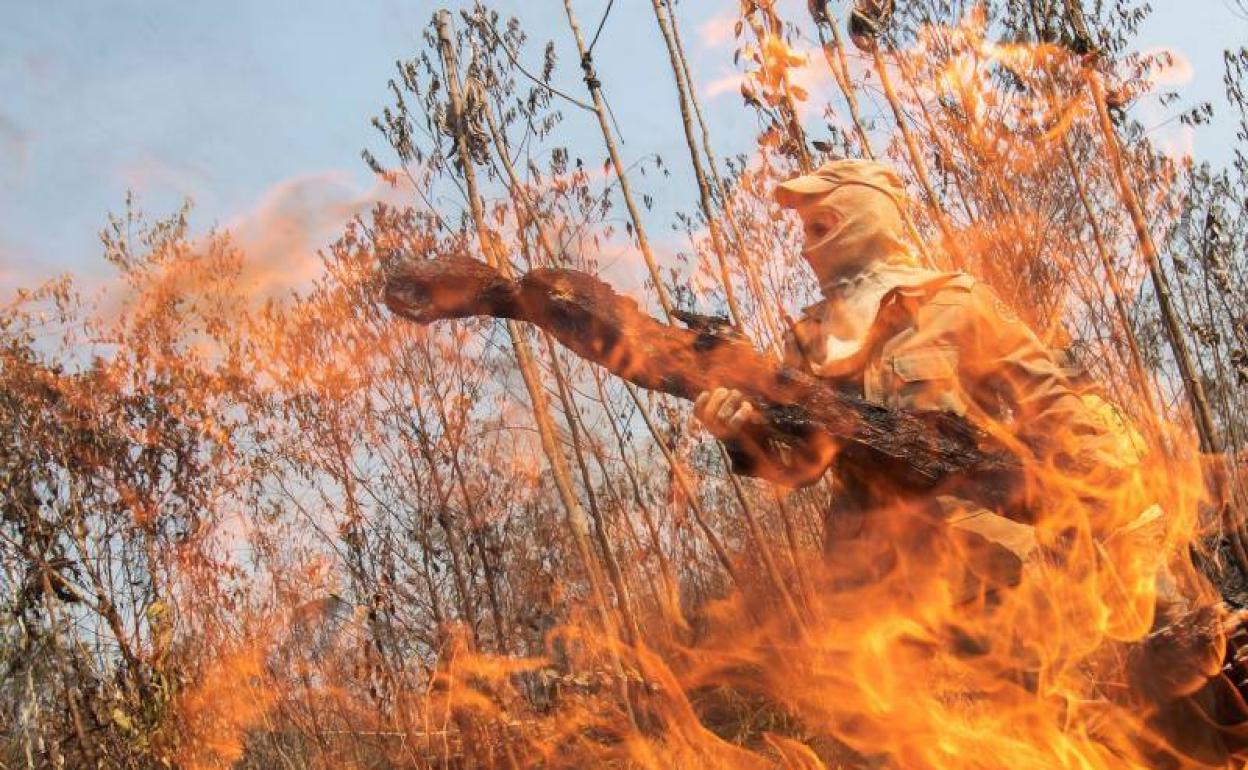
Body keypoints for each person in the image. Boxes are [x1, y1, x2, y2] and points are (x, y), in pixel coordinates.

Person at [692, 158, 1243, 764]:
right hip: (864, 576)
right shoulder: (806, 336)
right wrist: (738, 431)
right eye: (801, 225)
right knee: (868, 740)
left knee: (1041, 717)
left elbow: (1046, 395)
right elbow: (796, 467)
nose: (803, 238)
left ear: (868, 207)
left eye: (818, 216)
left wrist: (1107, 481)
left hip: (975, 558)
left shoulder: (956, 301)